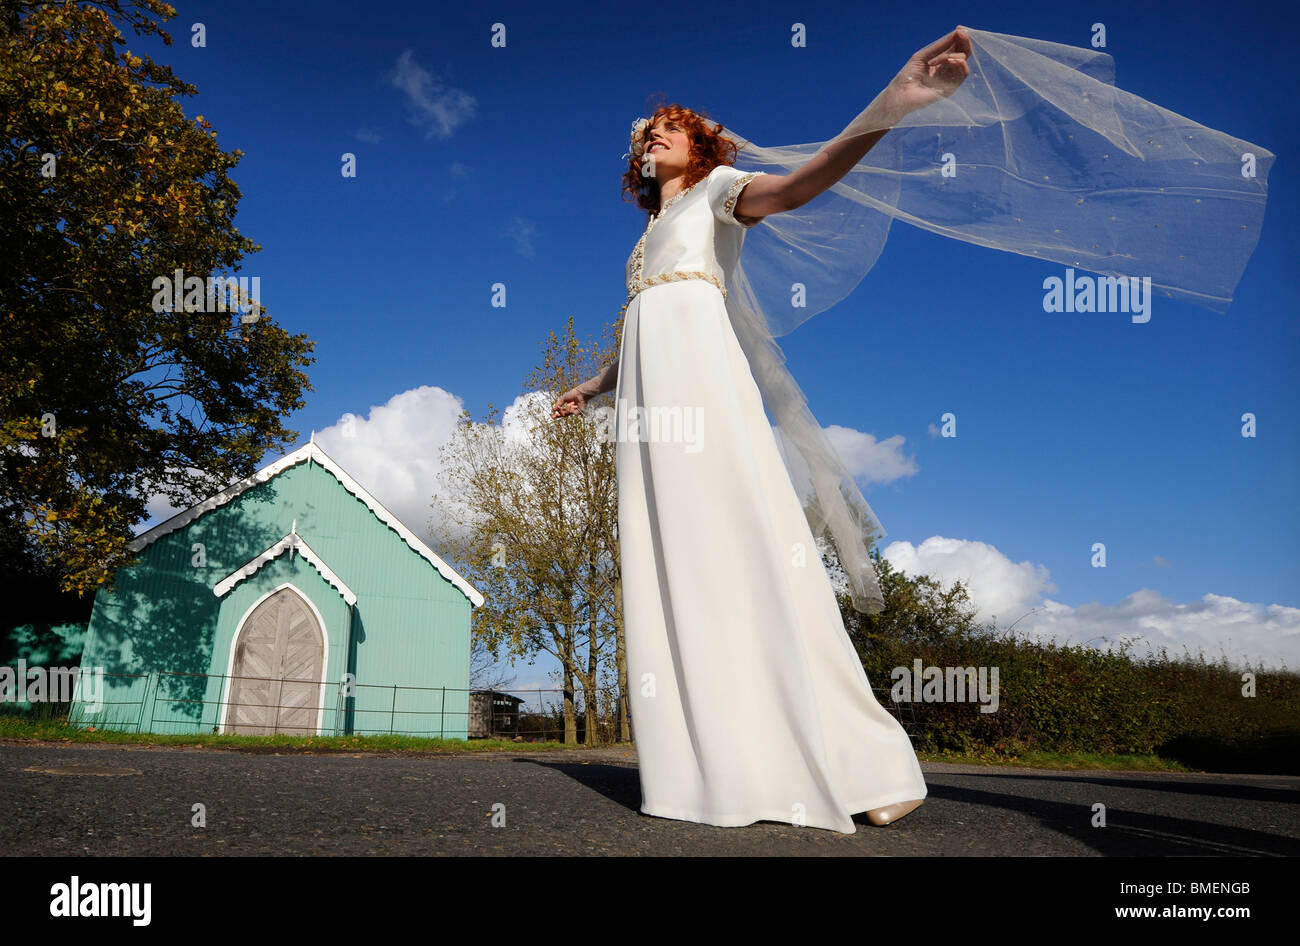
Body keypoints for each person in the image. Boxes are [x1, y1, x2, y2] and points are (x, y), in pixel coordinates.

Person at [551, 27, 974, 833]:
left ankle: (874, 764)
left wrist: (893, 104)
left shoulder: (722, 195)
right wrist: (597, 387)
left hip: (706, 402)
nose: (653, 137)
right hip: (649, 418)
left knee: (745, 548)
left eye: (668, 127)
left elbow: (801, 186)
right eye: (646, 135)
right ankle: (729, 766)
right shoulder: (647, 241)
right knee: (684, 567)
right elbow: (650, 318)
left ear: (702, 148)